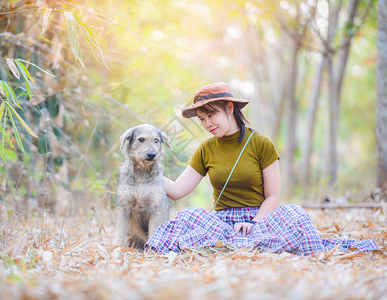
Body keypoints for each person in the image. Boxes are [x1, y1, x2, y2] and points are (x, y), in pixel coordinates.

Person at [144, 82, 377, 255]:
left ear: (229, 107)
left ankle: (239, 244)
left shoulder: (260, 143)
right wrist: (146, 169)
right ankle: (234, 244)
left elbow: (273, 197)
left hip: (261, 219)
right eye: (202, 119)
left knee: (295, 214)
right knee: (188, 216)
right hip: (222, 224)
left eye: (211, 115)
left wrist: (255, 223)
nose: (207, 124)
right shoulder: (206, 149)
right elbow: (176, 190)